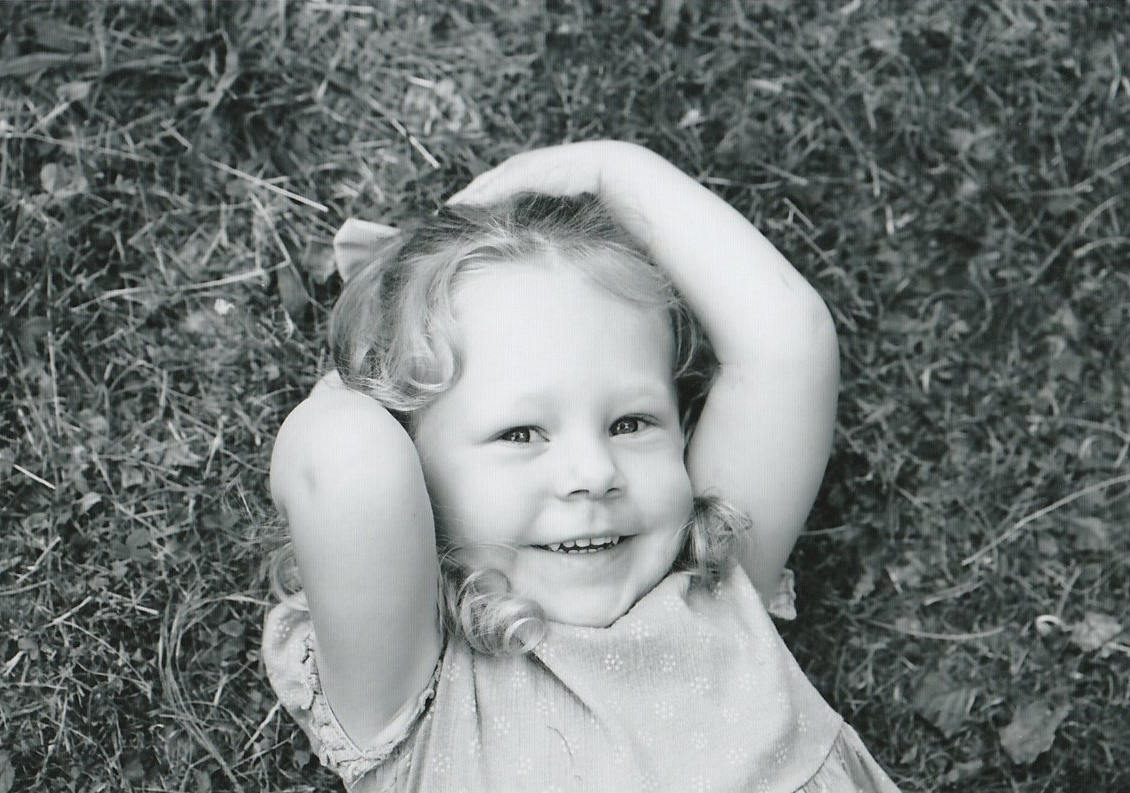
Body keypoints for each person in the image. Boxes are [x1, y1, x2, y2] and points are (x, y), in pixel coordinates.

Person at [262, 141, 900, 792]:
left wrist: (607, 170)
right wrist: (367, 365)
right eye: (520, 433)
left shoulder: (716, 581)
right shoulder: (419, 691)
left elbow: (788, 341)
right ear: (412, 472)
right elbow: (346, 456)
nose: (595, 473)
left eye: (631, 423)